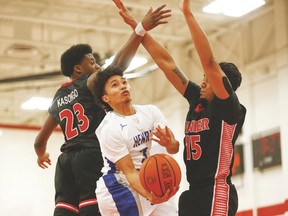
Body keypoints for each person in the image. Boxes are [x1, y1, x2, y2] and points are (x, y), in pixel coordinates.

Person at [33, 4, 171, 216]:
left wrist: (42, 155)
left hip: (65, 161)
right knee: (91, 209)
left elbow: (39, 141)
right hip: (90, 155)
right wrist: (140, 29)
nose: (97, 66)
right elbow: (117, 65)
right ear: (78, 69)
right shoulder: (88, 82)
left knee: (64, 210)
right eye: (92, 61)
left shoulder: (58, 97)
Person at [113, 0, 247, 215]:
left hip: (216, 191)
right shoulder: (197, 99)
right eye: (203, 78)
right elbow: (166, 62)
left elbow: (210, 62)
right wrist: (138, 28)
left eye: (208, 80)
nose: (203, 82)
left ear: (224, 86)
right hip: (192, 193)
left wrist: (187, 14)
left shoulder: (229, 109)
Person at [93, 64, 180, 215]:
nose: (122, 86)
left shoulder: (151, 112)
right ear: (106, 98)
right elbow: (130, 172)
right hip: (120, 186)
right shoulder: (110, 128)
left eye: (124, 82)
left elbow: (174, 148)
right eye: (115, 85)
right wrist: (152, 197)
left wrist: (170, 143)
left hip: (148, 179)